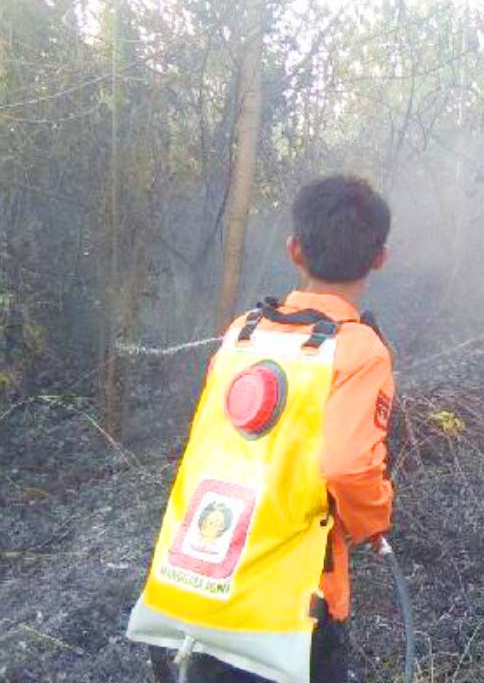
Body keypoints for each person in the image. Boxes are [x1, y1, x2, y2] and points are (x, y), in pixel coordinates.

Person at [127, 176, 396, 683]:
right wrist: (372, 521)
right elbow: (348, 465)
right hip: (279, 619)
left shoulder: (242, 333)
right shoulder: (359, 350)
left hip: (187, 589)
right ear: (380, 258)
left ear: (295, 250)